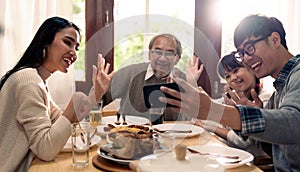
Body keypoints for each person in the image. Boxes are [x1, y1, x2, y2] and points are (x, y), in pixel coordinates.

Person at [159, 14, 300, 171]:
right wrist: (257, 117)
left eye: (249, 48)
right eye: (242, 53)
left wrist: (212, 110)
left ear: (275, 40)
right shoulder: (278, 91)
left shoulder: (297, 75)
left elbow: (293, 123)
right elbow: (278, 148)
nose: (246, 59)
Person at [0, 16, 113, 172]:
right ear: (46, 41)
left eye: (76, 48)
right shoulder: (29, 81)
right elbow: (46, 149)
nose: (73, 53)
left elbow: (62, 124)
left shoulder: (38, 80)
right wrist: (76, 101)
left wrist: (96, 95)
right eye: (67, 42)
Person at [97, 33, 203, 123]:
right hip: (127, 136)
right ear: (149, 55)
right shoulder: (130, 73)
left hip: (168, 140)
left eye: (169, 53)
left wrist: (191, 85)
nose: (162, 58)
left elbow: (187, 122)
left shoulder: (184, 80)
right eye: (157, 52)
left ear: (177, 59)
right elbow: (97, 99)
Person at [192, 52, 272, 164]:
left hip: (253, 164)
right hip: (228, 158)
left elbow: (243, 142)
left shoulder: (265, 100)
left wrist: (212, 127)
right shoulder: (230, 100)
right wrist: (193, 82)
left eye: (236, 71)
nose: (233, 78)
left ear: (251, 70)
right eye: (227, 76)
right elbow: (200, 113)